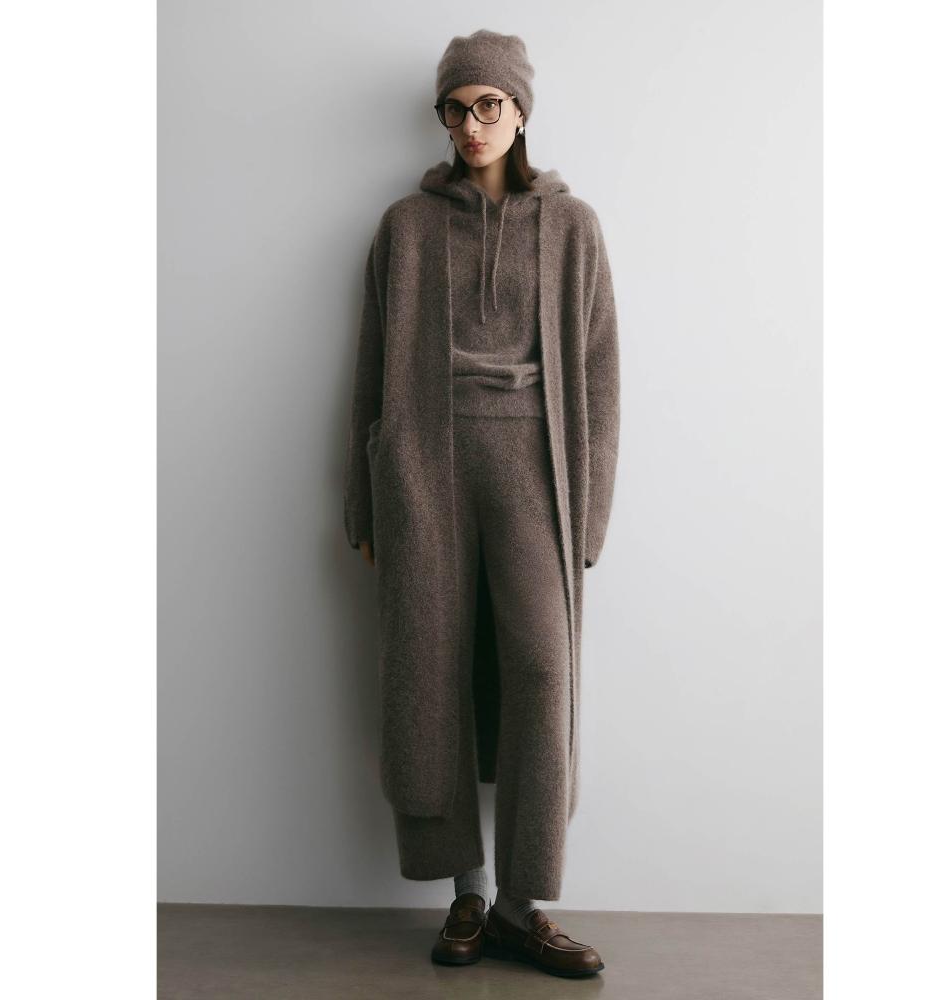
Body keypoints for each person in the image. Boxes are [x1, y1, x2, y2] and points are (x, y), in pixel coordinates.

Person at [343, 29, 620, 978]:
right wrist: (364, 499)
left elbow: (600, 376)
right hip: (424, 463)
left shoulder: (572, 225)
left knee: (542, 667)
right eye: (456, 108)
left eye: (488, 105)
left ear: (520, 111)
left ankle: (520, 904)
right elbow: (371, 369)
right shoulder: (406, 227)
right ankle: (465, 894)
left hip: (536, 466)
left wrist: (590, 513)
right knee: (433, 668)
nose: (471, 124)